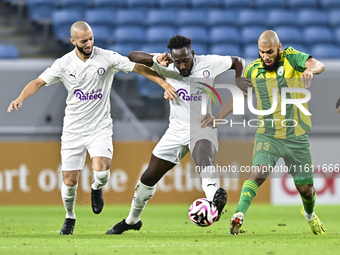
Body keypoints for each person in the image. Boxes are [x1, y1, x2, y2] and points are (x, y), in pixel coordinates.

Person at [7, 21, 177, 235]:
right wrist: (20, 97)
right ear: (73, 41)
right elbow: (38, 82)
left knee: (103, 171)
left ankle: (96, 188)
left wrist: (164, 84)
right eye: (84, 41)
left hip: (100, 128)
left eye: (91, 38)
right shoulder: (64, 64)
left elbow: (138, 68)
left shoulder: (107, 57)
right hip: (73, 130)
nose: (89, 43)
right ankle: (70, 217)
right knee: (70, 181)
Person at [105, 35, 251, 234]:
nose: (181, 66)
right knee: (148, 178)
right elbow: (132, 56)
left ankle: (214, 201)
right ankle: (132, 220)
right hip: (175, 131)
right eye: (178, 62)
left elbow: (237, 61)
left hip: (202, 127)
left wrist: (239, 78)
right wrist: (155, 60)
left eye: (185, 60)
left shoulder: (209, 62)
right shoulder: (166, 64)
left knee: (203, 159)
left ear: (192, 54)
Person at [227, 30, 326, 236]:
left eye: (270, 51)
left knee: (306, 190)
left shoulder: (292, 58)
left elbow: (318, 64)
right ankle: (239, 216)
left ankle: (309, 214)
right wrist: (216, 116)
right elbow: (240, 96)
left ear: (278, 48)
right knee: (259, 172)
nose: (266, 56)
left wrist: (310, 71)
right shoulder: (253, 70)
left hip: (296, 136)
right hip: (268, 134)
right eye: (262, 52)